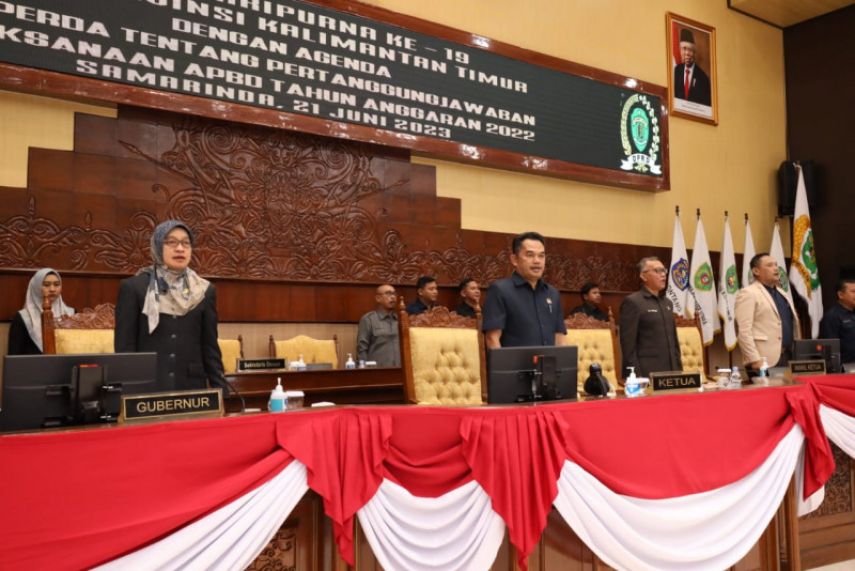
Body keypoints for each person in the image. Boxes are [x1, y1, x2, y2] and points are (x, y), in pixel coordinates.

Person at [114, 220, 227, 392]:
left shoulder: (204, 290)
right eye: (172, 242)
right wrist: (126, 394)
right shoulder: (134, 288)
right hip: (148, 389)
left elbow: (209, 346)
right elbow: (125, 349)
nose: (180, 249)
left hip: (192, 388)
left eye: (186, 243)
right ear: (158, 246)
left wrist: (221, 390)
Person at [482, 231, 566, 348]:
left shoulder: (552, 293)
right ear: (514, 259)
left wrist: (561, 365)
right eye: (530, 255)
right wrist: (504, 366)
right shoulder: (500, 290)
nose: (537, 261)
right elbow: (492, 338)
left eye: (541, 256)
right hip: (515, 365)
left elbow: (559, 336)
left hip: (548, 365)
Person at [734, 253, 800, 373]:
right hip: (763, 361)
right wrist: (754, 360)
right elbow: (744, 332)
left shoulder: (782, 293)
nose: (775, 268)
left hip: (789, 356)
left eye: (776, 265)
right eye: (769, 265)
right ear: (756, 271)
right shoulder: (748, 293)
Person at [619, 257, 682, 377]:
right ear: (643, 276)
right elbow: (628, 346)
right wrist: (636, 377)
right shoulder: (633, 302)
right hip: (647, 372)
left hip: (672, 371)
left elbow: (674, 343)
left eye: (664, 270)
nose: (663, 274)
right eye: (657, 271)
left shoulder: (667, 303)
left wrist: (678, 369)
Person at [7, 268, 74, 355]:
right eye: (46, 285)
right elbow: (14, 357)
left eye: (57, 284)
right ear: (36, 287)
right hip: (32, 367)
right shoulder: (23, 318)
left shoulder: (71, 314)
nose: (52, 289)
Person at [356, 284, 401, 367]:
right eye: (388, 293)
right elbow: (362, 349)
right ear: (378, 298)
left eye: (394, 294)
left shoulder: (401, 320)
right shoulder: (368, 319)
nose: (393, 297)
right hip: (377, 372)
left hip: (401, 371)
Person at [819, 278, 855, 364]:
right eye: (853, 291)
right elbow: (830, 349)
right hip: (844, 369)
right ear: (840, 295)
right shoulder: (832, 316)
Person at [673, 28, 712, 106]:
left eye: (690, 50)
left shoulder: (703, 78)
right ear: (680, 51)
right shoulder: (676, 71)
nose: (687, 53)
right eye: (684, 49)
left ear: (694, 53)